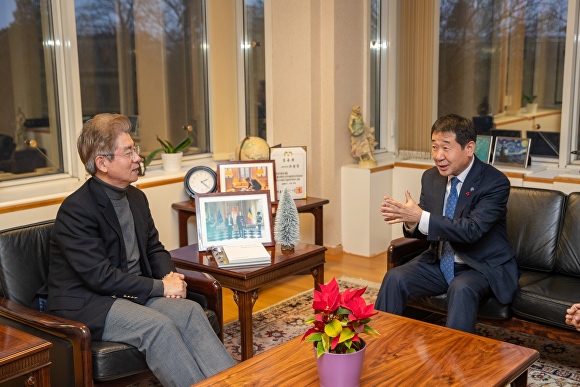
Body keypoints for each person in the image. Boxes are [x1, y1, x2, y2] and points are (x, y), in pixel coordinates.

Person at [46, 113, 235, 387]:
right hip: (91, 302)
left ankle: (235, 382)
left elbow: (154, 248)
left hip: (132, 293)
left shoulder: (136, 197)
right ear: (102, 163)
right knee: (158, 327)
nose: (138, 158)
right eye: (129, 152)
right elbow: (99, 277)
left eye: (134, 149)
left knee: (191, 311)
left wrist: (173, 280)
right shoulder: (76, 210)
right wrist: (160, 287)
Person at [375, 114, 519, 333]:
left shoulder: (495, 182)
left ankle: (454, 361)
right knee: (395, 278)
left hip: (479, 266)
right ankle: (379, 344)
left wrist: (421, 217)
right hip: (439, 262)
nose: (438, 156)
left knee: (461, 288)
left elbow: (471, 230)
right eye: (434, 147)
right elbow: (428, 228)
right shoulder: (431, 178)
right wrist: (411, 222)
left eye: (445, 148)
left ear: (469, 148)